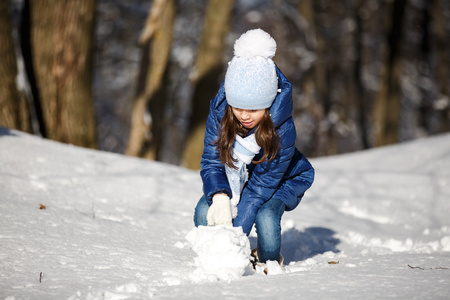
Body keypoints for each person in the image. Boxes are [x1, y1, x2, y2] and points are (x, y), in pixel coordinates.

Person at [193, 29, 315, 268]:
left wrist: (234, 237)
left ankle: (268, 262)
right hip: (239, 176)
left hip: (282, 179)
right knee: (203, 211)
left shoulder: (282, 130)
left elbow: (261, 187)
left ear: (269, 105)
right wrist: (219, 196)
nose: (245, 116)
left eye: (254, 109)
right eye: (238, 107)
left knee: (266, 218)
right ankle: (209, 256)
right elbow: (211, 160)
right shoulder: (220, 114)